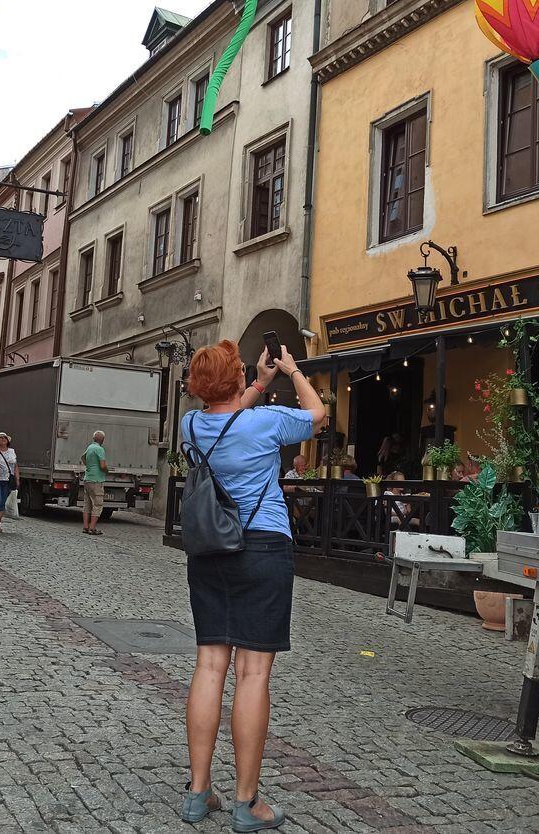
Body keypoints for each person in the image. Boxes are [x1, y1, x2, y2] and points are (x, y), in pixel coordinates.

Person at [179, 340, 325, 831]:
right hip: (262, 547)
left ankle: (198, 793)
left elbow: (226, 412)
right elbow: (318, 415)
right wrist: (291, 371)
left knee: (209, 664)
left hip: (209, 551)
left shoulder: (191, 425)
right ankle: (247, 803)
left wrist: (257, 383)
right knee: (253, 674)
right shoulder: (265, 423)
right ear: (236, 379)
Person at [81, 430, 108, 536]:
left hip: (87, 478)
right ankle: (92, 528)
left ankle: (85, 527)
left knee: (87, 504)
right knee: (97, 504)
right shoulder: (100, 449)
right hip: (97, 480)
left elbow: (83, 458)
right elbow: (102, 465)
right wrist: (106, 471)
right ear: (103, 440)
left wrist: (89, 466)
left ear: (94, 438)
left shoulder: (90, 447)